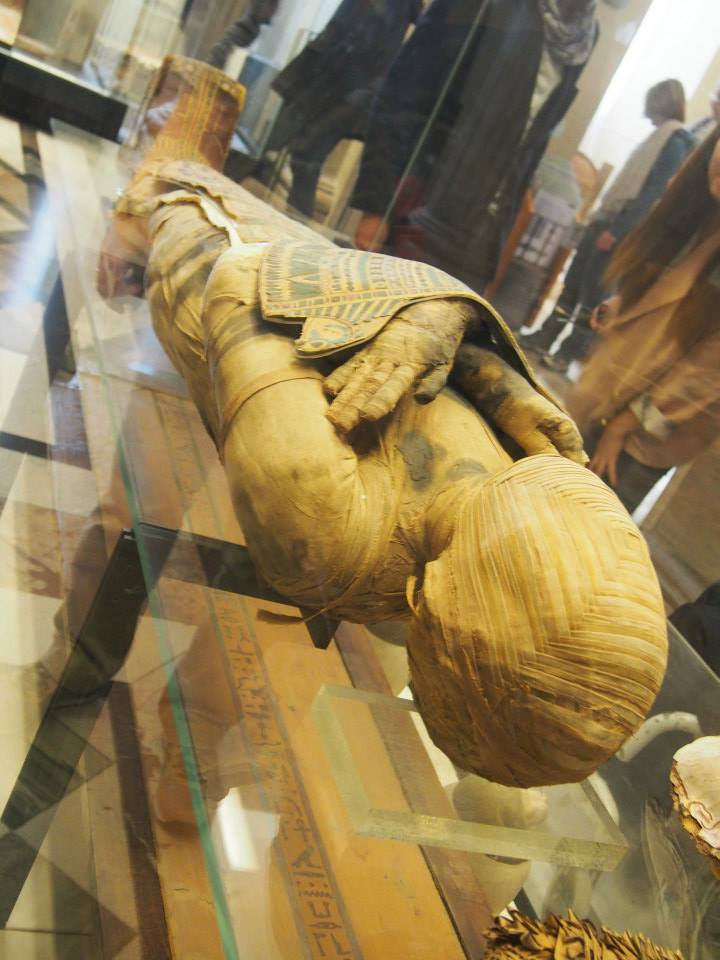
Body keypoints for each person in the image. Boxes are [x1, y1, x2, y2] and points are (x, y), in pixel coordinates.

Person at [99, 56, 667, 790]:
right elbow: (436, 359)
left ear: (457, 600)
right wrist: (480, 365)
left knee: (176, 181)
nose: (571, 507)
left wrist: (432, 314)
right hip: (332, 293)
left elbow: (241, 279)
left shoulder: (316, 511)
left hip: (220, 256)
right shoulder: (518, 508)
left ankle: (149, 730)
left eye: (558, 553)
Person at [351, 0, 598, 290]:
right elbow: (403, 95)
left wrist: (498, 244)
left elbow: (534, 142)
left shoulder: (584, 32)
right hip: (421, 210)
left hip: (481, 241)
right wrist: (376, 206)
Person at [564, 126, 720, 513]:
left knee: (578, 527)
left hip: (644, 433)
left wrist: (623, 425)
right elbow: (675, 290)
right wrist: (625, 307)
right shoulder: (702, 204)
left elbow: (707, 372)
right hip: (611, 391)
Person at [524, 79, 696, 371]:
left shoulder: (675, 142)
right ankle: (545, 336)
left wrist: (617, 231)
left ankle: (567, 354)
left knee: (594, 296)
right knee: (573, 284)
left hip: (618, 226)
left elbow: (651, 194)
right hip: (606, 219)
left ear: (660, 102)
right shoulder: (660, 136)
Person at [260, 0, 422, 218]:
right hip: (328, 79)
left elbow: (370, 49)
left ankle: (296, 228)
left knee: (304, 157)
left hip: (346, 89)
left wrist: (357, 96)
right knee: (282, 149)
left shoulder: (399, 6)